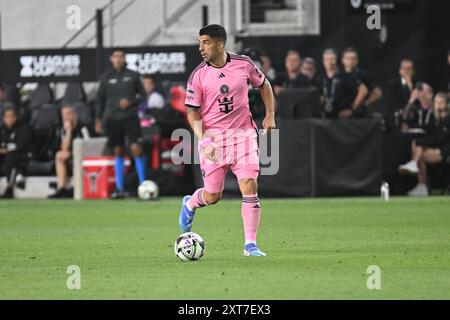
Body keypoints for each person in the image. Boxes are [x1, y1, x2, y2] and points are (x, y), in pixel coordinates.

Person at [178, 24, 276, 257]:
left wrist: (270, 114)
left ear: (220, 44)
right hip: (213, 140)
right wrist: (204, 142)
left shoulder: (244, 64)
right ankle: (190, 203)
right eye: (200, 42)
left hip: (244, 136)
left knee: (249, 184)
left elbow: (264, 85)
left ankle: (250, 245)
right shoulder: (198, 75)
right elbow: (192, 112)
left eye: (206, 42)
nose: (200, 47)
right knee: (213, 196)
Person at [95, 48, 146, 199]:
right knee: (118, 151)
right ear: (111, 59)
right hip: (113, 119)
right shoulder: (106, 78)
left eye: (121, 56)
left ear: (125, 58)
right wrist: (98, 120)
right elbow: (99, 101)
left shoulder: (133, 75)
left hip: (130, 117)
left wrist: (130, 102)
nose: (118, 59)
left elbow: (142, 95)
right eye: (115, 56)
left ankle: (143, 186)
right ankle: (119, 188)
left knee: (136, 148)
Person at [398, 93, 450, 196]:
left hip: (445, 150)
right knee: (418, 149)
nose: (438, 105)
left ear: (446, 104)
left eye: (441, 102)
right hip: (436, 147)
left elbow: (440, 138)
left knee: (418, 147)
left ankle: (419, 177)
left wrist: (421, 142)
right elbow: (426, 128)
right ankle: (421, 185)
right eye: (436, 102)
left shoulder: (448, 119)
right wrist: (409, 128)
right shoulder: (435, 119)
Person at [48, 105, 91, 198]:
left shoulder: (83, 127)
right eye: (63, 115)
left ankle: (75, 188)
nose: (65, 117)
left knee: (75, 158)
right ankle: (62, 188)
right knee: (59, 155)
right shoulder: (62, 129)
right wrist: (69, 132)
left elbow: (90, 145)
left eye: (68, 114)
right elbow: (64, 148)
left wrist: (74, 154)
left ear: (74, 115)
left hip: (83, 157)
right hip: (70, 156)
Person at [341, 47, 382, 117]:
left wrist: (364, 105)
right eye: (348, 58)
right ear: (343, 60)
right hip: (341, 114)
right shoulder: (338, 74)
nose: (351, 61)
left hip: (358, 115)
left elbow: (377, 93)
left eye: (353, 59)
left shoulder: (362, 75)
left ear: (357, 60)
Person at [319, 48, 360, 119]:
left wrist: (351, 110)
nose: (329, 62)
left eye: (332, 59)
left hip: (342, 118)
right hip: (325, 118)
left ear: (336, 60)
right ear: (323, 62)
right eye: (327, 59)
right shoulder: (320, 78)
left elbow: (357, 95)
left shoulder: (345, 76)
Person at [0, 107, 31, 199]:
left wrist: (4, 150)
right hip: (5, 155)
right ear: (3, 118)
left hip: (22, 155)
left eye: (11, 116)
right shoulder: (2, 130)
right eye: (7, 116)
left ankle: (9, 188)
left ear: (16, 117)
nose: (9, 119)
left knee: (11, 157)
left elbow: (20, 146)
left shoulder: (23, 129)